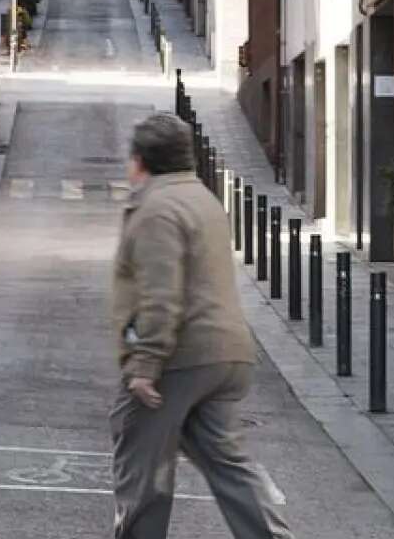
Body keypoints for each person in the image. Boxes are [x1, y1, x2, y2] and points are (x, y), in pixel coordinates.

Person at [110, 114, 292, 539]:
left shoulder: (157, 209)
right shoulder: (204, 198)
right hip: (227, 354)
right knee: (228, 464)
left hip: (180, 356)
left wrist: (145, 364)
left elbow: (160, 293)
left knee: (142, 464)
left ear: (139, 161)